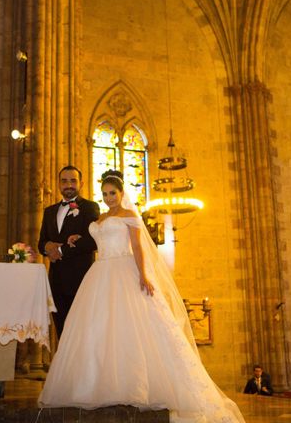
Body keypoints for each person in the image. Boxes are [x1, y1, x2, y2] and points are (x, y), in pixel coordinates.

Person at [38, 170, 245, 422]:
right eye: (105, 194)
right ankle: (96, 384)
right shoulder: (101, 216)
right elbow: (92, 239)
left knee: (130, 327)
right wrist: (73, 239)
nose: (109, 198)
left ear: (122, 194)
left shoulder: (130, 215)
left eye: (113, 193)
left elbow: (137, 247)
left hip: (122, 270)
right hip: (99, 274)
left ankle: (135, 386)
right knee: (95, 329)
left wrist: (144, 275)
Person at [38, 165, 100, 338]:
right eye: (64, 181)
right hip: (56, 281)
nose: (69, 185)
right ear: (59, 184)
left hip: (81, 281)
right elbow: (41, 242)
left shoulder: (90, 207)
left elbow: (92, 241)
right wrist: (47, 247)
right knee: (62, 333)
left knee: (82, 334)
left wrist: (61, 250)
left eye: (73, 181)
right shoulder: (49, 211)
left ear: (81, 183)